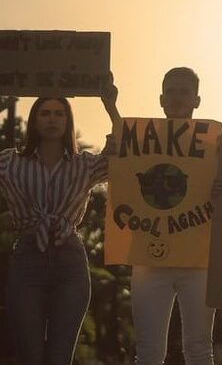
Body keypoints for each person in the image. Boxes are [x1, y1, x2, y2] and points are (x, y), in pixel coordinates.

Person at [0, 81, 119, 364]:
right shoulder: (9, 161)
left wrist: (111, 105)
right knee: (30, 354)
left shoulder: (84, 165)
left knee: (59, 356)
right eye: (44, 113)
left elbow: (123, 155)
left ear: (67, 122)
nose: (51, 119)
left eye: (58, 113)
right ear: (34, 121)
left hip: (70, 258)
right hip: (28, 255)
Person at [128, 67, 217, 365]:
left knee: (199, 350)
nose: (177, 98)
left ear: (197, 100)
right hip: (149, 258)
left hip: (199, 260)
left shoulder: (216, 147)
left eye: (184, 92)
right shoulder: (136, 145)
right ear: (161, 99)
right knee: (149, 352)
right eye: (172, 92)